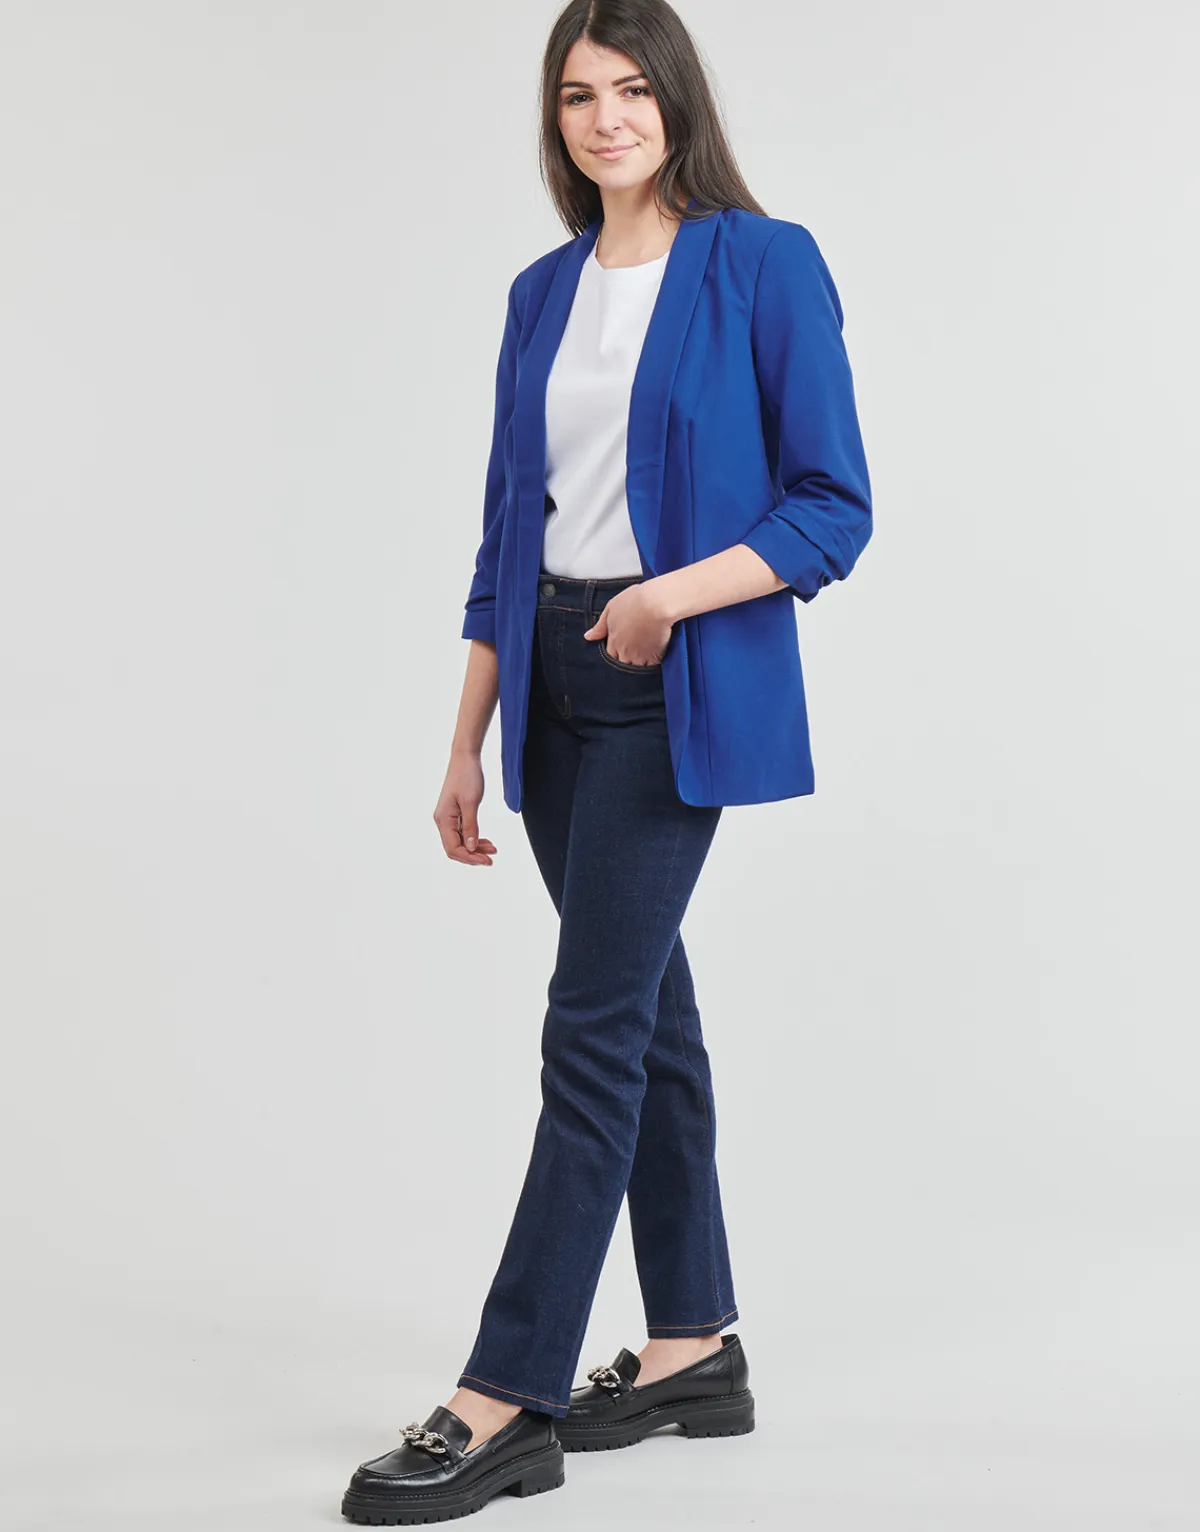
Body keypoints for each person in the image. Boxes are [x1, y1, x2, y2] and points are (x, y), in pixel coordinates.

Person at [341, 0, 872, 1521]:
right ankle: (694, 1344)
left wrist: (668, 596)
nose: (609, 118)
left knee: (589, 1032)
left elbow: (833, 505)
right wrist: (466, 736)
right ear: (556, 118)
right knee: (647, 1019)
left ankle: (503, 1395)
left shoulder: (763, 264)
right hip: (547, 688)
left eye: (635, 89)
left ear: (676, 100)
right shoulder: (540, 291)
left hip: (665, 688)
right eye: (580, 95)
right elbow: (506, 528)